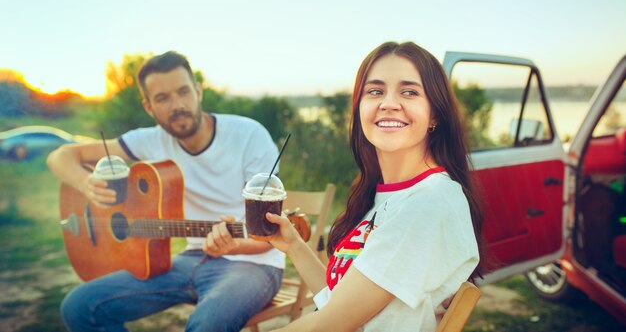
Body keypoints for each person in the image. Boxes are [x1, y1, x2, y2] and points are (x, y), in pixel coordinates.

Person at [47, 51, 283, 332]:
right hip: (190, 260)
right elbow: (61, 156)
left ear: (198, 91)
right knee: (80, 306)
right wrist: (88, 184)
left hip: (252, 264)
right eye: (163, 98)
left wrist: (234, 245)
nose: (178, 105)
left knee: (206, 325)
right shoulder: (149, 141)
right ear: (149, 107)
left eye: (183, 92)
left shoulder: (248, 135)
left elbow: (268, 238)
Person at [263, 41, 484, 332]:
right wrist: (294, 245)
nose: (389, 103)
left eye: (409, 92)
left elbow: (330, 323)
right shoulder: (392, 198)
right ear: (360, 108)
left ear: (435, 114)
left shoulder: (429, 203)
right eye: (375, 91)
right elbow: (339, 305)